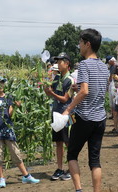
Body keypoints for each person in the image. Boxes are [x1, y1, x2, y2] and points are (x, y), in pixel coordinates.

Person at [62, 28, 109, 192]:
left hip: (84, 118)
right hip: (100, 119)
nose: (79, 46)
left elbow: (85, 91)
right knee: (95, 161)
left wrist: (68, 108)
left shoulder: (84, 65)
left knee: (72, 154)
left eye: (80, 42)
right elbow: (97, 91)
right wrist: (78, 87)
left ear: (87, 44)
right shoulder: (104, 67)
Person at [0, 76, 40, 188]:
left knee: (15, 152)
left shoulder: (9, 97)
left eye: (3, 83)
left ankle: (26, 176)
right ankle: (1, 178)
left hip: (8, 129)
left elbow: (10, 114)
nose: (1, 85)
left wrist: (16, 106)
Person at [43, 52, 73, 181]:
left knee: (68, 142)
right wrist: (46, 84)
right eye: (57, 62)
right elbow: (49, 92)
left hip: (66, 115)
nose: (57, 64)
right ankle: (60, 168)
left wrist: (52, 94)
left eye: (60, 61)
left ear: (67, 64)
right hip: (56, 114)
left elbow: (65, 99)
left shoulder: (70, 80)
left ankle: (72, 168)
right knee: (59, 143)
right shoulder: (56, 78)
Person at [106, 56, 118, 134]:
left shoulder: (115, 66)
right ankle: (116, 126)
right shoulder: (112, 66)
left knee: (115, 107)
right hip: (112, 86)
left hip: (114, 87)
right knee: (114, 107)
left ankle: (116, 127)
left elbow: (111, 77)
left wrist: (109, 80)